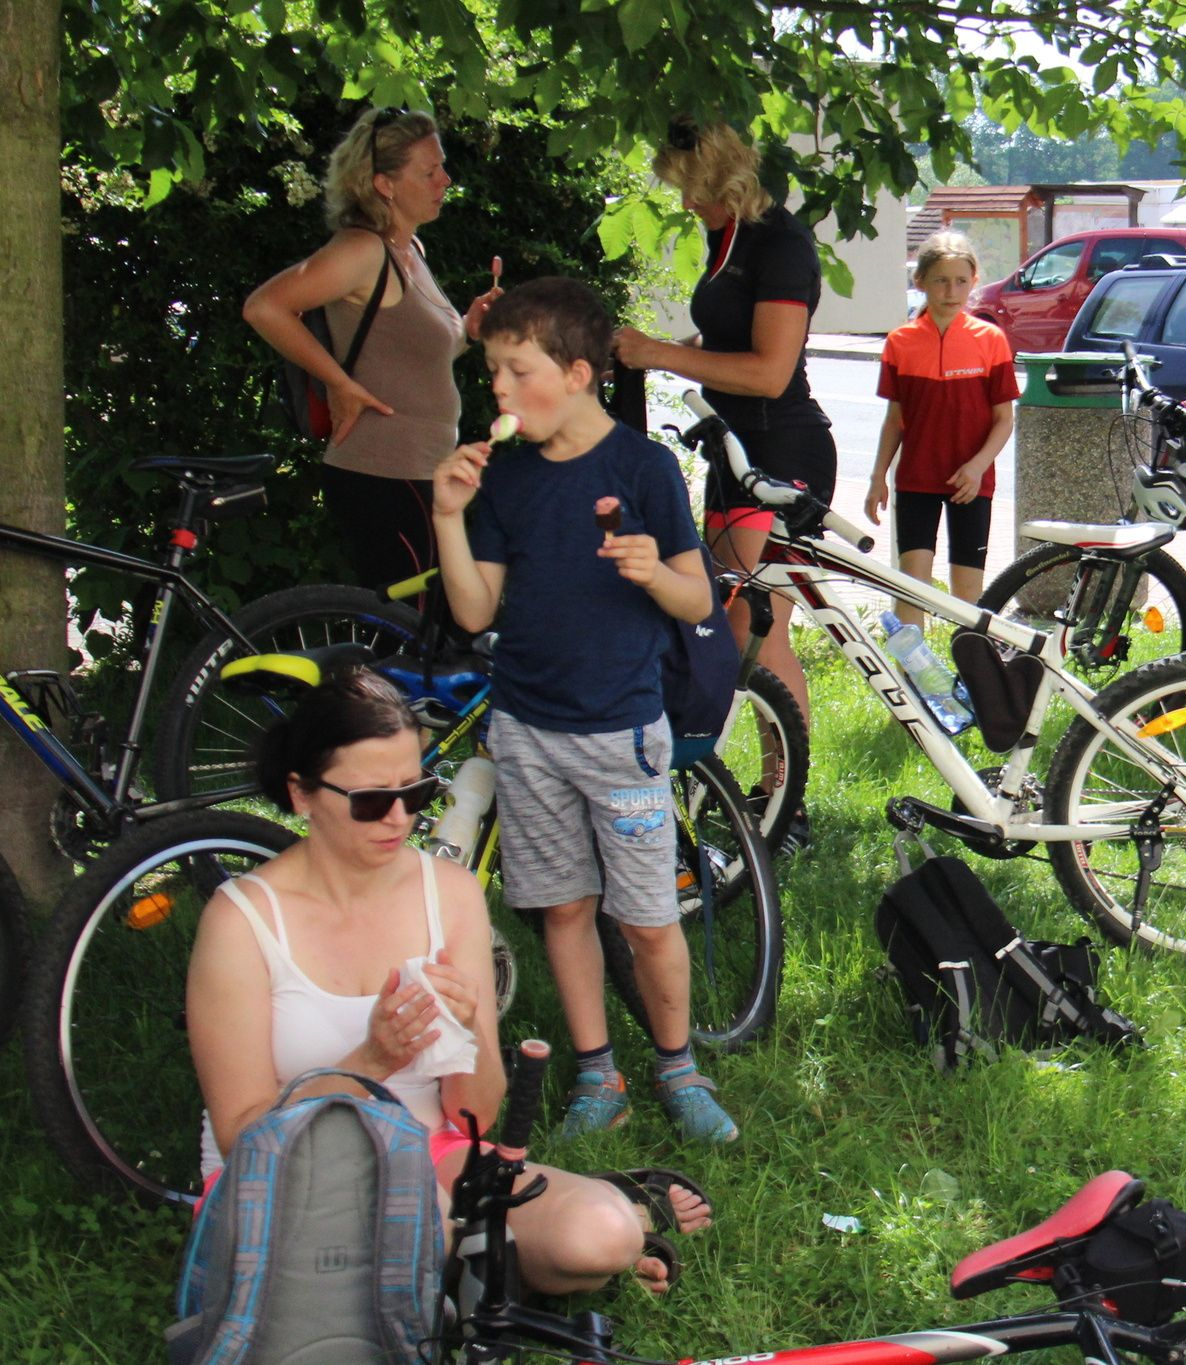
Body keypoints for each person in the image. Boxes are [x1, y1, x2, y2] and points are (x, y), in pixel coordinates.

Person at [186, 666, 712, 1294]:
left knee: (603, 1233)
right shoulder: (242, 920)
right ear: (301, 794)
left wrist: (469, 1034)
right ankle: (479, 1269)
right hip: (281, 1174)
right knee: (422, 1225)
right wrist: (370, 1063)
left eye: (414, 794)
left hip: (431, 1154)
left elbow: (473, 1117)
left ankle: (505, 1256)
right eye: (371, 801)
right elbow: (241, 1136)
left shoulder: (450, 894)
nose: (398, 819)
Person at [432, 277, 740, 1144]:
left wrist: (655, 572)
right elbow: (474, 612)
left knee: (646, 918)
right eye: (492, 372)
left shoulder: (642, 468)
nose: (497, 388)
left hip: (622, 734)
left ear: (576, 374)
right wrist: (448, 516)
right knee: (563, 908)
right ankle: (599, 1073)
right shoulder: (506, 480)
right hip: (527, 730)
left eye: (515, 370)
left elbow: (698, 601)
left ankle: (679, 1067)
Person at [613, 117, 833, 850]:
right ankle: (762, 791)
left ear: (724, 181)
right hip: (737, 452)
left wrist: (660, 354)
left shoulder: (780, 245)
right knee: (735, 626)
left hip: (784, 451)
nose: (684, 204)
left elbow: (769, 371)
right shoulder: (728, 237)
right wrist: (655, 351)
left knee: (754, 629)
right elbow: (730, 337)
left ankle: (786, 801)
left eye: (691, 189)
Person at [244, 107, 503, 589]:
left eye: (442, 167)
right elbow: (264, 308)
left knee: (430, 620)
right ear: (384, 184)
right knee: (416, 620)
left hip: (423, 471)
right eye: (428, 172)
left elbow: (412, 358)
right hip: (383, 471)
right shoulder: (363, 251)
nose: (445, 180)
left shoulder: (411, 251)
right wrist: (338, 383)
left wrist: (468, 330)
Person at [866, 232, 1019, 624]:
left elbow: (1004, 419)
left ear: (974, 281)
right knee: (912, 586)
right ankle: (909, 662)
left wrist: (978, 466)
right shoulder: (900, 342)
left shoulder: (991, 340)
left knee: (967, 594)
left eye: (961, 281)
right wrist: (878, 476)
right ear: (920, 281)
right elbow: (895, 419)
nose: (952, 291)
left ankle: (969, 662)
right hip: (916, 479)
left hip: (971, 482)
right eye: (941, 281)